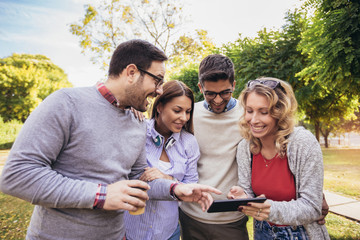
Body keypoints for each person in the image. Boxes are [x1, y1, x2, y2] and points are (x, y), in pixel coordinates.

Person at [0, 39, 221, 240]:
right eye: (157, 80)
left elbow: (139, 179)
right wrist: (101, 195)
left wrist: (174, 189)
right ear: (132, 72)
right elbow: (17, 175)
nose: (160, 90)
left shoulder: (137, 123)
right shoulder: (66, 103)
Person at [228, 77, 330, 240]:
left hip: (302, 233)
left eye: (264, 112)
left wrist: (270, 209)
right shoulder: (245, 148)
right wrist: (243, 195)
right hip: (263, 231)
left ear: (280, 112)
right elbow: (248, 189)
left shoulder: (303, 142)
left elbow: (313, 207)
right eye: (249, 110)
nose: (254, 120)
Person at [179, 54, 249, 239]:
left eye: (225, 92)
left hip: (232, 218)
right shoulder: (188, 114)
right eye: (210, 93)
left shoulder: (248, 115)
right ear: (200, 87)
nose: (218, 100)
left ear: (234, 85)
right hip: (191, 216)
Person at [124, 80, 200, 240]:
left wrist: (167, 180)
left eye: (188, 111)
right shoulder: (138, 130)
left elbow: (191, 185)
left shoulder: (189, 143)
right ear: (159, 106)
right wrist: (127, 111)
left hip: (168, 232)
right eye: (177, 110)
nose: (184, 117)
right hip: (130, 230)